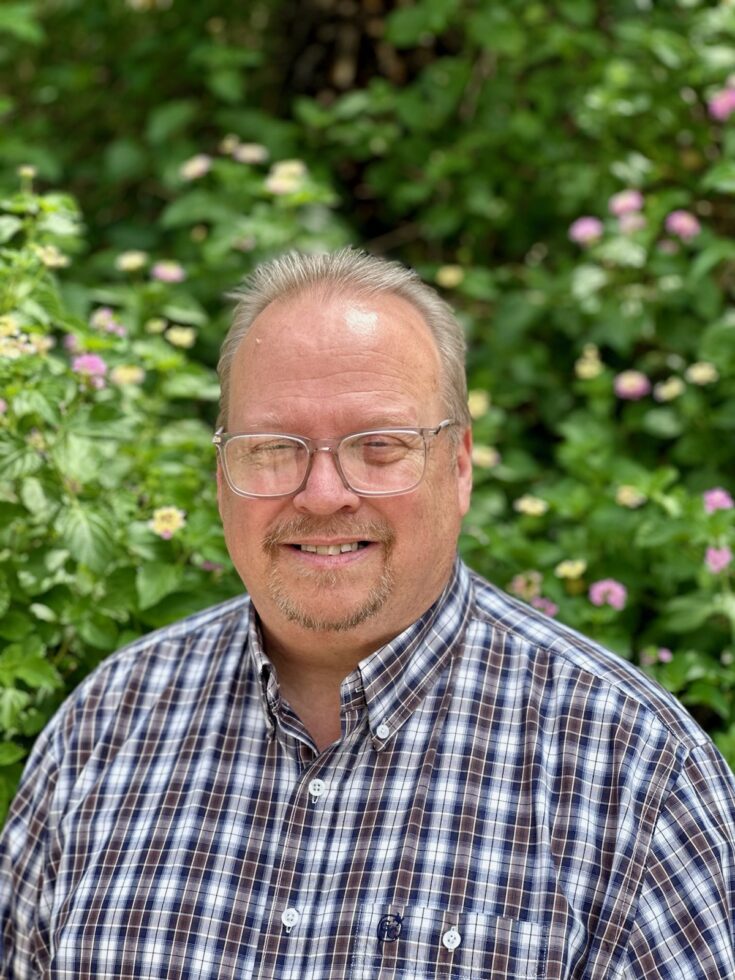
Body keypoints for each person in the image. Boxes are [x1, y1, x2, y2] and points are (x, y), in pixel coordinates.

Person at [1, 248, 734, 980]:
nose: (322, 495)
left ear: (460, 465)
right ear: (222, 474)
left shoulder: (633, 770)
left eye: (378, 447)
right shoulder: (103, 728)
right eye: (272, 448)